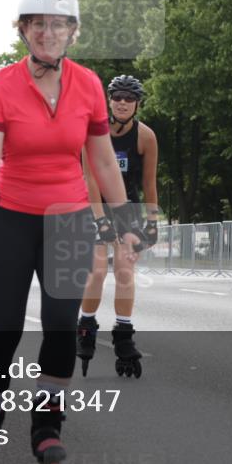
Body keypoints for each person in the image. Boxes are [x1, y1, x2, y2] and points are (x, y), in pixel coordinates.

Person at [0, 0, 144, 464]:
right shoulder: (0, 84)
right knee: (3, 329)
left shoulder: (89, 85)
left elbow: (103, 160)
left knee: (60, 326)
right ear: (23, 30)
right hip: (10, 214)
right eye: (37, 24)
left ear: (73, 33)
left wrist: (126, 224)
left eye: (58, 25)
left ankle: (47, 429)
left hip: (68, 217)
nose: (47, 32)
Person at [77, 75, 160, 378]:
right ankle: (86, 325)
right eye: (117, 98)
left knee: (125, 270)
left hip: (126, 206)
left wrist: (152, 221)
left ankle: (123, 336)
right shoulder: (93, 133)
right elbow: (89, 178)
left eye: (129, 98)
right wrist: (100, 220)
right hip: (94, 203)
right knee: (98, 270)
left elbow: (149, 183)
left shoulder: (145, 137)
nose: (123, 103)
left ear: (137, 104)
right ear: (109, 101)